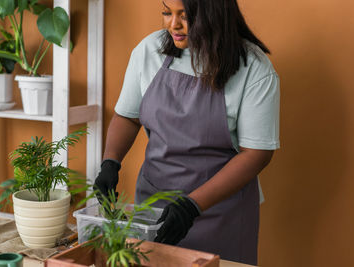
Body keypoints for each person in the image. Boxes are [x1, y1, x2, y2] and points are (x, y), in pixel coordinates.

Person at [95, 0, 280, 265]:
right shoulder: (149, 50)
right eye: (167, 12)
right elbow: (127, 116)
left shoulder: (253, 68)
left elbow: (257, 154)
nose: (174, 24)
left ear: (215, 13)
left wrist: (192, 205)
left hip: (221, 214)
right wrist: (110, 161)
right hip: (153, 207)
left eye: (186, 15)